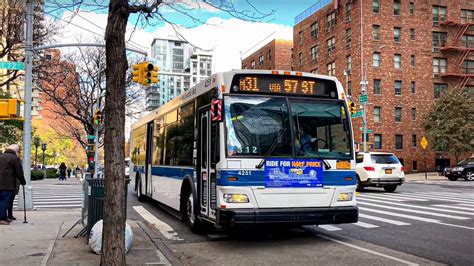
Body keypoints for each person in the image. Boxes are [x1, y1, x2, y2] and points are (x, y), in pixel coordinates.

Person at [0, 144, 26, 225]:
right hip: (8, 184)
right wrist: (23, 181)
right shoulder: (14, 158)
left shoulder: (1, 156)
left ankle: (4, 217)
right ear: (16, 151)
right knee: (4, 201)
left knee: (1, 201)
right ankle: (1, 219)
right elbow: (19, 172)